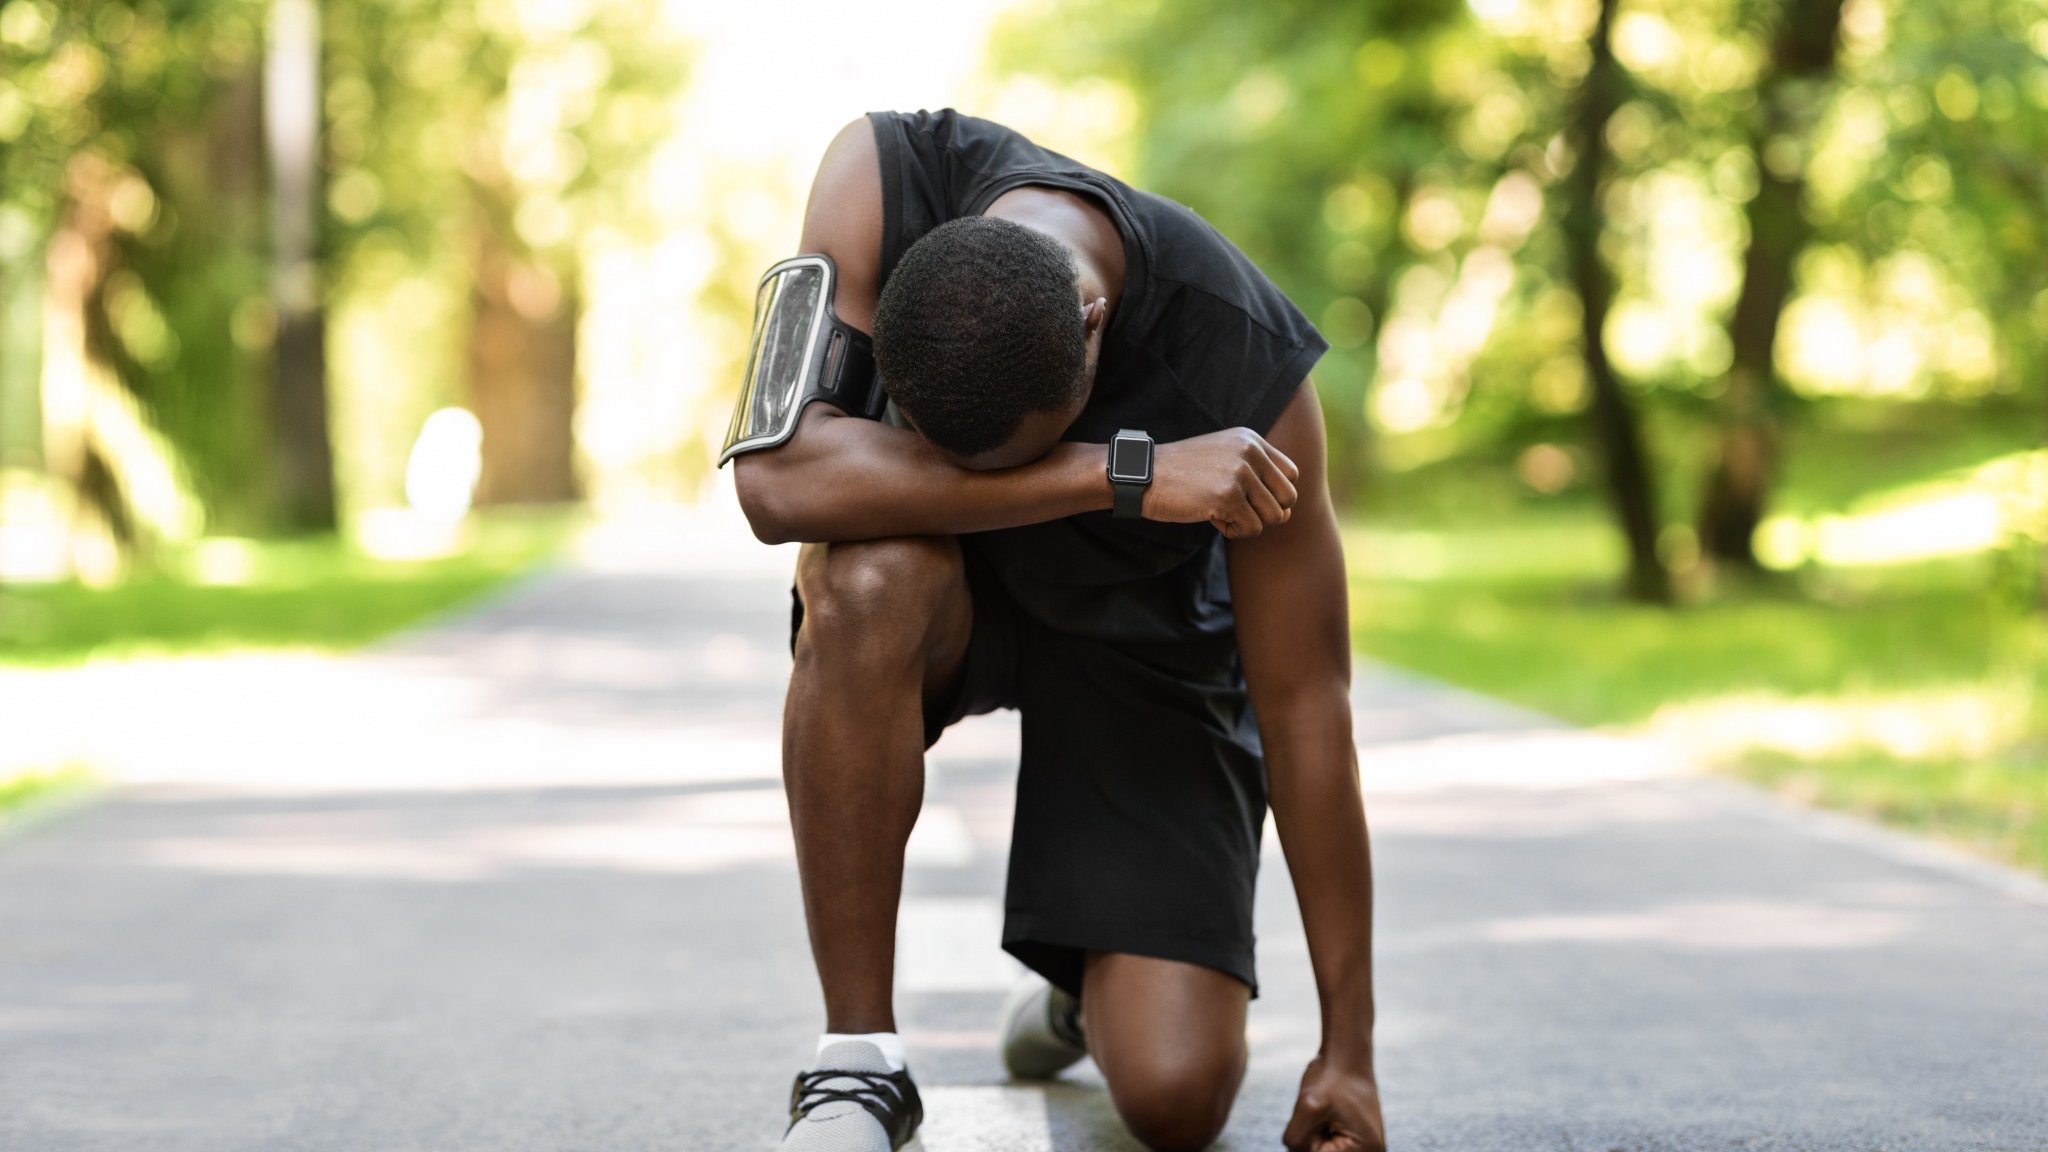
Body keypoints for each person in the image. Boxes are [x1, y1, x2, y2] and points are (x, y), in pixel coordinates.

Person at [727, 109, 1383, 1152]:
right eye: (950, 458)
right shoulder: (879, 180)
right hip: (946, 589)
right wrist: (1118, 472)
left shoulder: (1240, 356)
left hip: (1147, 646)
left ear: (1090, 321)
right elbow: (774, 486)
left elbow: (1307, 705)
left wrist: (1347, 1048)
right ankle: (858, 1067)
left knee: (1175, 1102)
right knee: (865, 578)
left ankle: (1091, 979)